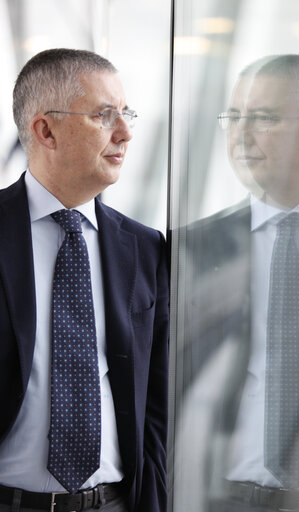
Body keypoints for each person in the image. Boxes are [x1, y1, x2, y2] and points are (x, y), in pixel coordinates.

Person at [0, 48, 169, 512]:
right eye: (104, 115)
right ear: (45, 130)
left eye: (126, 113)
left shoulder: (146, 248)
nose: (126, 133)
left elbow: (156, 405)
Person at [181, 54, 299, 512]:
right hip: (222, 499)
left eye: (263, 118)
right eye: (233, 117)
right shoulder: (191, 249)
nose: (240, 136)